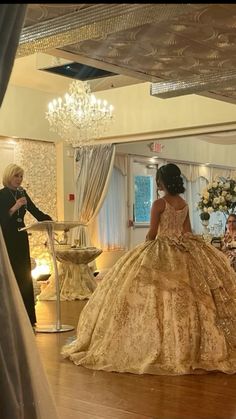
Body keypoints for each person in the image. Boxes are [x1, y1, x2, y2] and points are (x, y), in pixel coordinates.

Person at [62, 163, 236, 375]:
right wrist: (187, 245)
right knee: (186, 295)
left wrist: (145, 247)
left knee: (156, 292)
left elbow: (152, 233)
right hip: (183, 248)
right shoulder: (183, 202)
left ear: (161, 181)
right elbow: (187, 231)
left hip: (162, 248)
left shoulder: (159, 204)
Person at [0, 163, 52, 326]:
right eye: (16, 176)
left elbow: (35, 211)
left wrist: (50, 220)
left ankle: (28, 316)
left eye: (21, 176)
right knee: (11, 274)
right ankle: (11, 317)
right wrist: (16, 206)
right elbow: (2, 219)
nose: (19, 179)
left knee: (24, 275)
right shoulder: (2, 195)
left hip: (21, 237)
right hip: (7, 238)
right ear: (9, 176)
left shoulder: (23, 193)